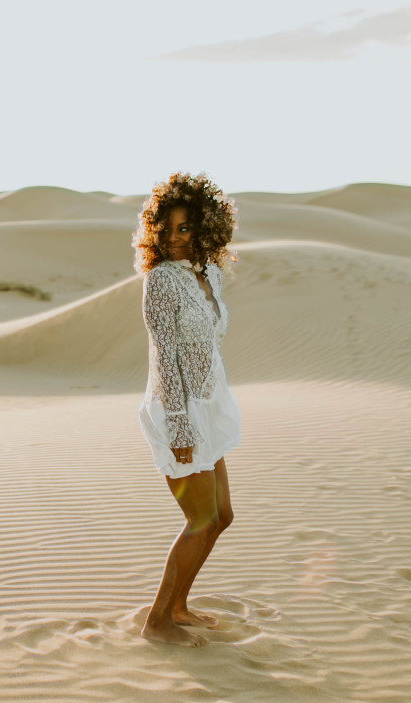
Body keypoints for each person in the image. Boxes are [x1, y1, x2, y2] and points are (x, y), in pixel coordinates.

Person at [134, 172, 240, 648]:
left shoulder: (210, 275)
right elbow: (165, 358)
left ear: (206, 230)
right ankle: (158, 620)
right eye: (167, 229)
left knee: (221, 515)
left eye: (185, 229)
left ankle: (178, 606)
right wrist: (179, 425)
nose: (174, 239)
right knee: (199, 519)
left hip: (208, 404)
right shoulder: (160, 282)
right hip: (177, 410)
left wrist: (207, 407)